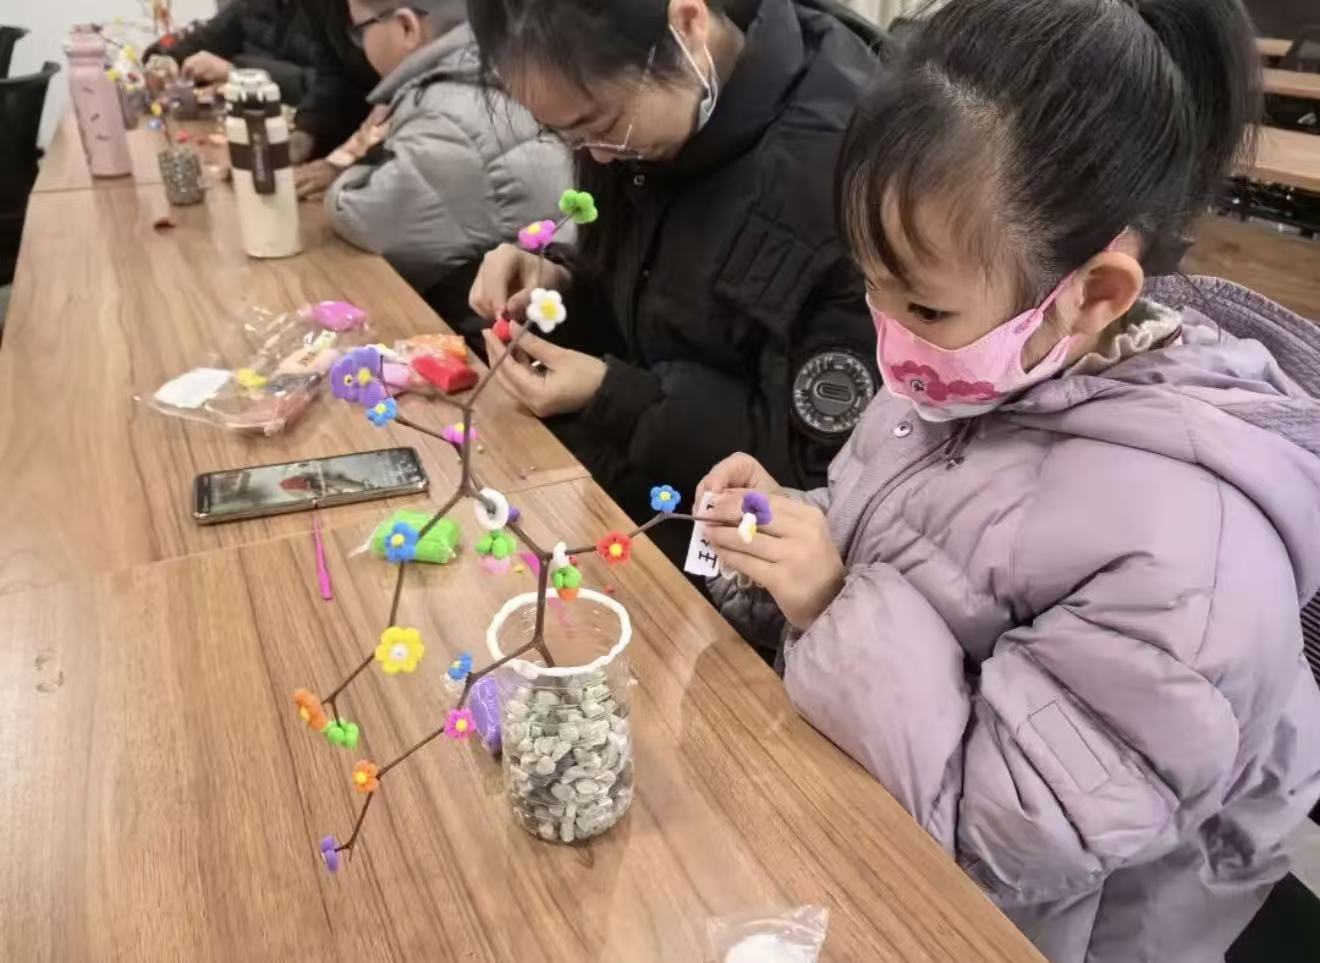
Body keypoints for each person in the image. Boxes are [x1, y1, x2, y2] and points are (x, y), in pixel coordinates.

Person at [699, 0, 1320, 959]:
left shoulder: (1192, 563)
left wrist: (832, 602)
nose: (887, 332)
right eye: (869, 284)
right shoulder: (993, 361)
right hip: (855, 806)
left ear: (1096, 294)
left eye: (923, 306)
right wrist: (786, 528)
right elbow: (912, 537)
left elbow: (1000, 841)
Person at [466, 0, 881, 557]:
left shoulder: (845, 178)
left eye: (601, 127)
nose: (598, 158)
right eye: (565, 136)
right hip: (629, 489)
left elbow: (821, 468)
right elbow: (655, 302)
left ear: (687, 23)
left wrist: (614, 396)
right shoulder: (642, 114)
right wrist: (559, 288)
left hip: (748, 552)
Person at [311, 0, 570, 329]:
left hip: (528, 333)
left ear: (406, 26)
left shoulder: (448, 111)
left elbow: (366, 218)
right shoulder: (485, 66)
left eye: (359, 30)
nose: (360, 44)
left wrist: (346, 175)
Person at [145, 0, 377, 161]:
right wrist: (167, 59)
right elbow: (206, 38)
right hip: (279, 136)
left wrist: (239, 73)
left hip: (338, 140)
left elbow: (339, 84)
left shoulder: (337, 10)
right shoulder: (251, 5)